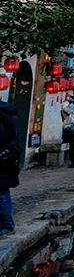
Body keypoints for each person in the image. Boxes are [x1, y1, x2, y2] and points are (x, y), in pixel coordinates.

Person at [0, 97, 19, 236]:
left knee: (1, 191)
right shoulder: (7, 111)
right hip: (7, 156)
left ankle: (7, 223)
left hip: (2, 156)